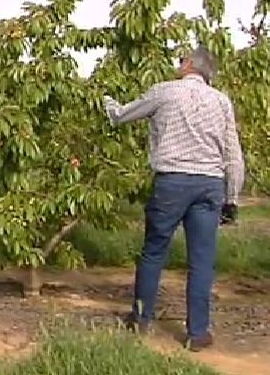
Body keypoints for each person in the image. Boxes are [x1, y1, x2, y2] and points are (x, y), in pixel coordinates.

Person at [103, 45, 245, 352]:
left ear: (189, 65)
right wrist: (231, 199)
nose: (179, 64)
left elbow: (120, 116)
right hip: (210, 184)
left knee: (154, 250)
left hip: (173, 181)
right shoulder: (221, 102)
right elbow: (233, 154)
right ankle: (198, 333)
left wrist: (105, 100)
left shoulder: (164, 92)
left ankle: (141, 319)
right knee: (202, 260)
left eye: (182, 60)